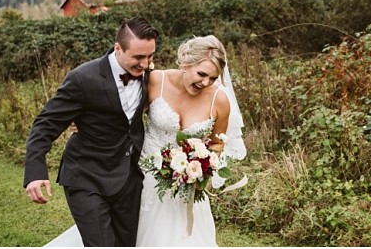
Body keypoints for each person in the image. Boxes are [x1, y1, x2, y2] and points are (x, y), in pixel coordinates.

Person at [45, 34, 247, 247]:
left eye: (213, 78)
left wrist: (201, 169)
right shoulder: (156, 81)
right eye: (202, 74)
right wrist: (87, 120)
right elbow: (122, 114)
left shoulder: (219, 100)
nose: (206, 82)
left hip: (187, 190)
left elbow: (217, 143)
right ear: (186, 63)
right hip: (141, 179)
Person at [24, 17, 159, 246]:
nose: (145, 64)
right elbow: (46, 124)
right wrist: (35, 171)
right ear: (118, 48)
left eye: (150, 56)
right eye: (138, 57)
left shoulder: (151, 76)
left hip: (128, 179)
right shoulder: (83, 78)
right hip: (86, 176)